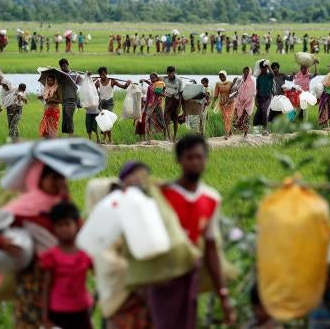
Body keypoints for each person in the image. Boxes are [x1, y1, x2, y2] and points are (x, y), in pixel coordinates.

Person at [147, 135, 236, 329]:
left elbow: (211, 247)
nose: (195, 162)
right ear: (179, 160)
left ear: (206, 159)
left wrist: (223, 294)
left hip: (190, 276)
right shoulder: (163, 195)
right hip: (163, 276)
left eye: (199, 157)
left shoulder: (211, 199)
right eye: (190, 157)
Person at [0, 162, 69, 328]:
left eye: (61, 178)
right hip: (33, 280)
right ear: (38, 179)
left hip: (63, 276)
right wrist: (2, 242)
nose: (59, 183)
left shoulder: (62, 205)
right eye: (53, 178)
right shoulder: (21, 208)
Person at [86, 162, 153, 329]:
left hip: (144, 298)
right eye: (133, 180)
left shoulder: (141, 216)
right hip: (120, 298)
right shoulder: (104, 225)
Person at [41, 202, 93, 329]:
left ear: (76, 225)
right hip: (59, 312)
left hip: (81, 309)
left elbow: (99, 274)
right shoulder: (51, 256)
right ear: (54, 228)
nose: (64, 229)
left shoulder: (85, 254)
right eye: (60, 225)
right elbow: (46, 286)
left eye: (67, 224)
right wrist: (44, 317)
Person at [95, 66, 130, 144]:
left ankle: (105, 138)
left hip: (109, 103)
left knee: (107, 119)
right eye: (101, 75)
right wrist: (91, 81)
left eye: (104, 74)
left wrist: (127, 83)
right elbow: (93, 91)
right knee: (104, 121)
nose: (102, 76)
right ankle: (109, 139)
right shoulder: (97, 82)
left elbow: (123, 87)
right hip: (101, 103)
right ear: (99, 74)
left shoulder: (112, 81)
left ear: (106, 74)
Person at [59, 58, 82, 137]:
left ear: (67, 65)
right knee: (65, 117)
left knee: (69, 116)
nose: (63, 67)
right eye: (62, 66)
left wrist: (88, 76)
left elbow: (82, 82)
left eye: (65, 65)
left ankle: (71, 136)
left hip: (72, 98)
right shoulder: (60, 75)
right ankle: (69, 135)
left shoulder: (74, 75)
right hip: (64, 99)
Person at [141, 73, 166, 144]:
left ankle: (166, 136)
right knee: (149, 121)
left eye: (153, 78)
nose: (152, 80)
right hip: (150, 105)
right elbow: (148, 97)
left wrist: (162, 93)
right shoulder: (150, 87)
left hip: (157, 105)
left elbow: (163, 94)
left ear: (157, 78)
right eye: (151, 78)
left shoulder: (160, 85)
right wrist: (145, 107)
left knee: (161, 120)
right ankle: (149, 138)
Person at [211, 70, 234, 140]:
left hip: (230, 103)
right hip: (222, 103)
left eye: (223, 76)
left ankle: (227, 133)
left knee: (228, 117)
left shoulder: (230, 83)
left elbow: (234, 92)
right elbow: (215, 94)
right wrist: (213, 103)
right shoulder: (218, 84)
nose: (222, 77)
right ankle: (229, 131)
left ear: (225, 76)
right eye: (220, 76)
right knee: (225, 118)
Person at [163, 66, 184, 141]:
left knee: (175, 119)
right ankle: (169, 136)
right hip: (168, 100)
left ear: (174, 72)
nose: (171, 75)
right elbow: (157, 81)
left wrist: (179, 106)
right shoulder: (164, 79)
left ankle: (174, 137)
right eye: (169, 73)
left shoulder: (179, 80)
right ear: (167, 73)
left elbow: (181, 94)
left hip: (176, 101)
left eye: (172, 73)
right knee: (166, 118)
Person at [253, 61, 274, 135]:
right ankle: (258, 130)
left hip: (268, 97)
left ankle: (265, 129)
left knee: (264, 110)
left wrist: (268, 65)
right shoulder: (259, 78)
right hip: (260, 98)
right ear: (260, 69)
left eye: (265, 69)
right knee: (258, 115)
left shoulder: (269, 76)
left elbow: (272, 74)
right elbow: (257, 89)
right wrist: (256, 99)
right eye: (262, 69)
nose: (263, 70)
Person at [235, 67, 256, 137]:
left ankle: (246, 133)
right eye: (245, 72)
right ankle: (241, 130)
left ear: (250, 73)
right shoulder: (240, 81)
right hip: (240, 103)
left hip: (248, 104)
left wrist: (246, 102)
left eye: (247, 72)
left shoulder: (252, 82)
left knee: (246, 118)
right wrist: (239, 101)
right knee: (239, 118)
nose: (246, 73)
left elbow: (252, 93)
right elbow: (237, 91)